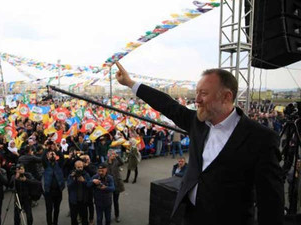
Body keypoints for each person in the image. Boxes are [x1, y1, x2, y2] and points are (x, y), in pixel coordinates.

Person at [115, 61, 284, 225]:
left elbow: (270, 203)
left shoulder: (260, 138)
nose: (197, 99)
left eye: (203, 93)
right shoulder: (198, 122)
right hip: (189, 216)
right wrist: (130, 83)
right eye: (197, 93)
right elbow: (167, 104)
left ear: (226, 97)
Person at [42, 143, 65, 225]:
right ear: (47, 157)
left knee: (57, 208)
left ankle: (55, 222)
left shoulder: (59, 164)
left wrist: (57, 149)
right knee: (49, 209)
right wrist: (46, 147)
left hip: (58, 190)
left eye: (53, 154)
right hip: (48, 191)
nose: (52, 155)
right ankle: (49, 223)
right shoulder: (46, 165)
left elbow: (62, 158)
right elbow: (42, 158)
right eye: (50, 154)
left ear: (56, 156)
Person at [67, 160, 91, 225]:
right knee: (74, 218)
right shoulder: (71, 175)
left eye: (81, 167)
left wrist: (84, 181)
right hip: (74, 201)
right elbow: (69, 186)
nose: (80, 169)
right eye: (78, 167)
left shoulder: (86, 174)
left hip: (83, 200)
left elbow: (90, 185)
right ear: (75, 167)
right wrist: (74, 180)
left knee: (84, 218)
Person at [106, 150, 125, 223]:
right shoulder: (105, 163)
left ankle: (117, 216)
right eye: (112, 154)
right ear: (108, 155)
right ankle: (108, 216)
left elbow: (122, 162)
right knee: (108, 202)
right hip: (109, 185)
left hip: (116, 184)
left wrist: (117, 156)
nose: (113, 155)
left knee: (116, 201)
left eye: (114, 154)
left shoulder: (116, 161)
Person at [81, 155, 97, 225]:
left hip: (90, 188)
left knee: (90, 205)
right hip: (82, 188)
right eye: (85, 159)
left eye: (88, 159)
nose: (86, 160)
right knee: (82, 204)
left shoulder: (92, 166)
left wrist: (87, 166)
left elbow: (94, 173)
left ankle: (91, 219)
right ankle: (82, 218)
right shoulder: (81, 166)